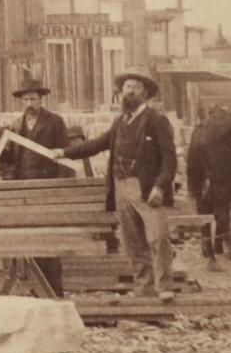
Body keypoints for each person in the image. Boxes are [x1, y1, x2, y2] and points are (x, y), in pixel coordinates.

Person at [52, 66, 177, 301]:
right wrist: (64, 152)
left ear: (146, 94)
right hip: (121, 186)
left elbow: (169, 159)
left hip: (146, 187)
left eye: (137, 87)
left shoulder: (156, 120)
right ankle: (144, 287)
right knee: (132, 241)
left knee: (157, 236)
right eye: (127, 87)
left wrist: (160, 187)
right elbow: (97, 144)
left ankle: (165, 287)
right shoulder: (120, 122)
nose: (130, 92)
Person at [0, 77, 70, 296]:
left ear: (41, 100)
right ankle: (31, 291)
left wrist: (60, 189)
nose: (29, 103)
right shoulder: (15, 125)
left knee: (48, 240)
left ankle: (53, 290)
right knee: (27, 238)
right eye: (25, 99)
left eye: (33, 99)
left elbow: (65, 155)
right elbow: (11, 156)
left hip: (47, 188)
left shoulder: (55, 122)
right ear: (20, 102)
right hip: (23, 189)